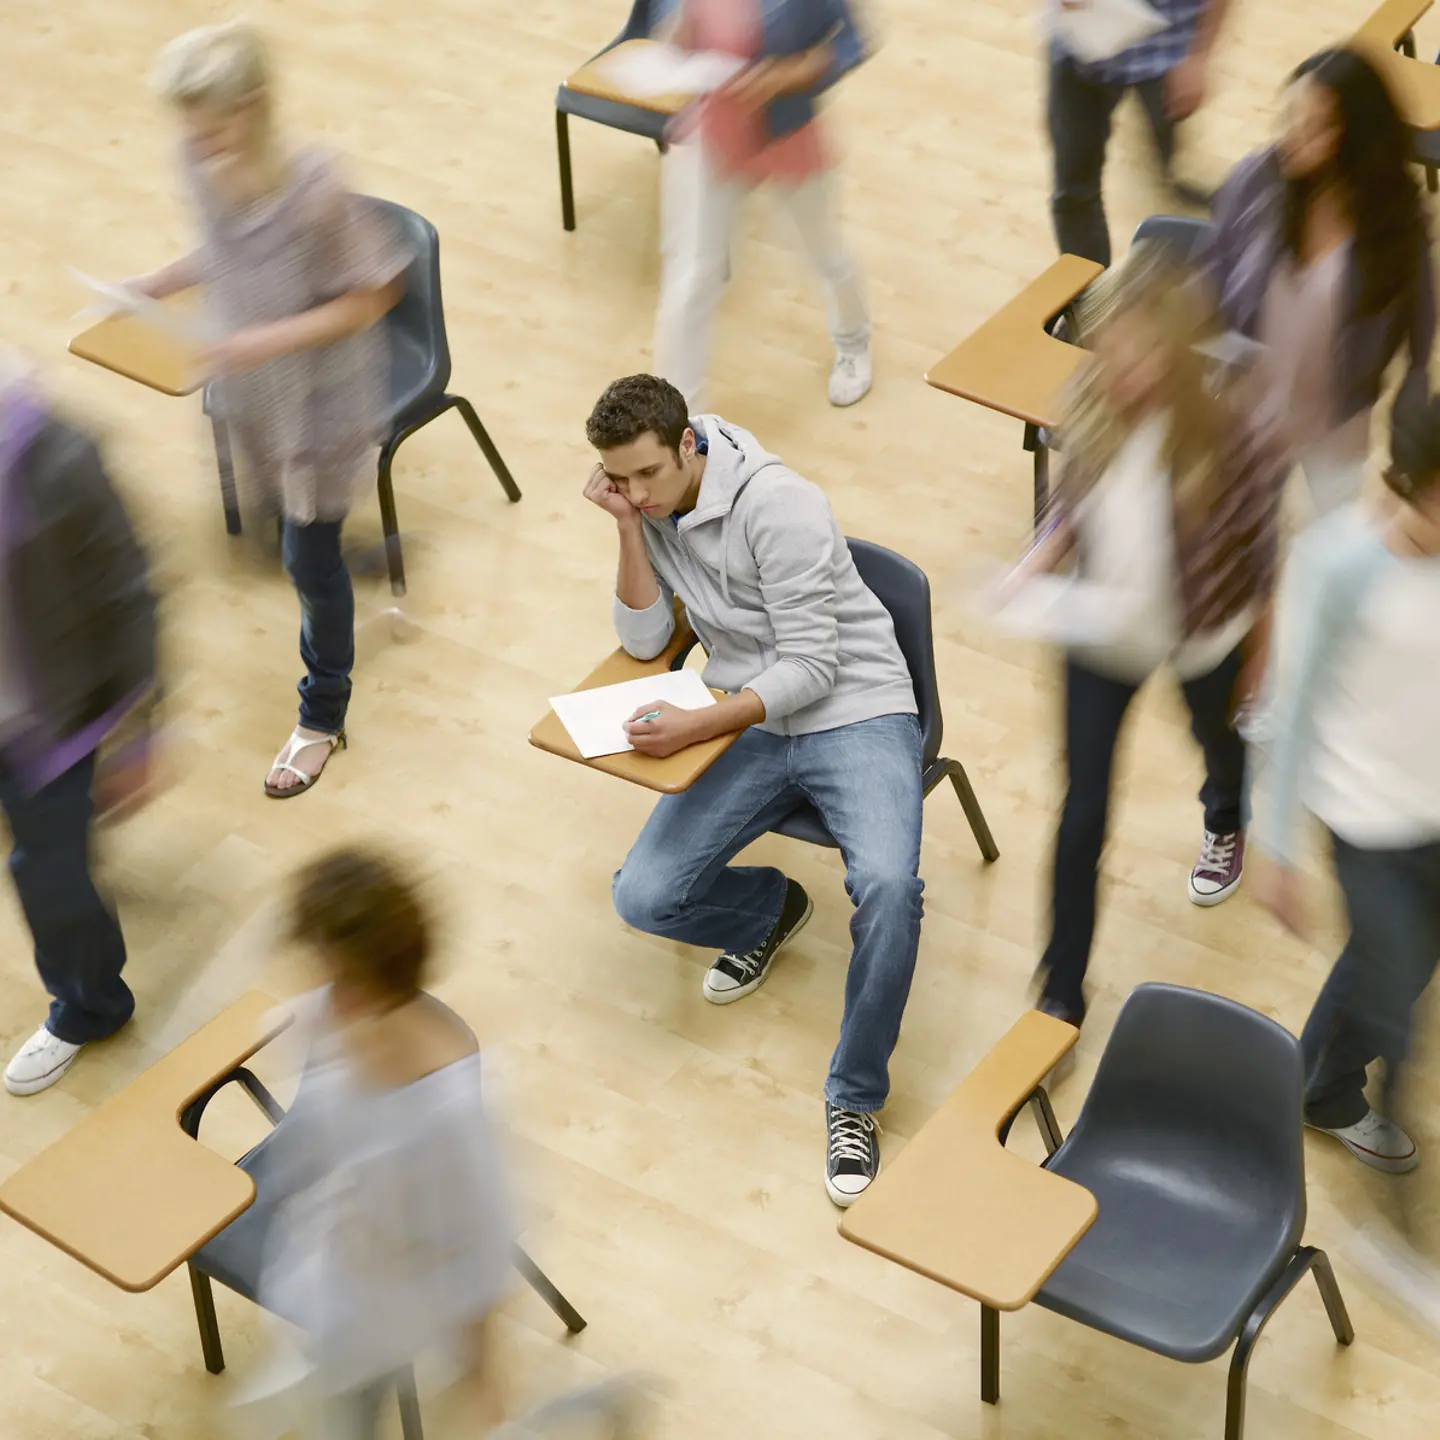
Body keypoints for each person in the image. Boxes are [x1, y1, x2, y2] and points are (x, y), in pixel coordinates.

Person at [582, 374, 922, 1206]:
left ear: (690, 444)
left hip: (855, 708)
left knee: (887, 887)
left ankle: (854, 1097)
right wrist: (629, 528)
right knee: (644, 898)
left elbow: (814, 666)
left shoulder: (781, 506)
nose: (637, 492)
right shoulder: (650, 509)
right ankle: (771, 910)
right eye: (618, 480)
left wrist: (697, 725)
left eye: (647, 477)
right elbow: (645, 640)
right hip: (748, 718)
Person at [1003, 245, 1285, 1027]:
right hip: (1102, 633)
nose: (1121, 371)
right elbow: (1070, 506)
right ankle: (1061, 991)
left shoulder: (1232, 434)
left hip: (1200, 634)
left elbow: (1264, 564)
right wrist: (1041, 557)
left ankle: (1226, 812)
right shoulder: (1092, 399)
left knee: (1215, 737)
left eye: (1141, 354)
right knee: (1082, 807)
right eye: (1113, 351)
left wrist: (1260, 660)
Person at [129, 20, 410, 797]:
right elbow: (224, 251)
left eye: (213, 125)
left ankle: (322, 716)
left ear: (254, 107)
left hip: (320, 404)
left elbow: (372, 294)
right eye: (190, 125)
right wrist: (156, 283)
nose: (198, 141)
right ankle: (348, 555)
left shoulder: (315, 189)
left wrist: (263, 340)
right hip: (253, 395)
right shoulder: (195, 156)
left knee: (305, 563)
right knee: (289, 538)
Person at [1252, 386, 1440, 1337]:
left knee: (1392, 969)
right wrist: (1275, 844)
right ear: (1409, 484)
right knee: (1405, 1018)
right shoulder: (1340, 566)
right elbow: (1287, 715)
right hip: (1366, 818)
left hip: (1438, 812)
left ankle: (1313, 1089)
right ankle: (1402, 1249)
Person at [236, 846, 513, 1439]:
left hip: (386, 1307)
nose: (311, 984)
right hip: (331, 1281)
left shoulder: (448, 1115)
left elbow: (478, 1259)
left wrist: (484, 1386)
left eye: (325, 969)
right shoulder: (322, 1026)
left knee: (350, 1413)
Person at [0, 362, 159, 1096]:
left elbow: (130, 591)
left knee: (49, 874)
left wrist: (145, 733)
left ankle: (93, 1005)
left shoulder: (59, 458)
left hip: (48, 723)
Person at [1200, 45, 1433, 521]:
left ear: (1356, 138)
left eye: (1315, 127)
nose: (1292, 137)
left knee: (1332, 537)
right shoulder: (1253, 184)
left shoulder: (1395, 226)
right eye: (1290, 117)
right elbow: (1210, 278)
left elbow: (1420, 330)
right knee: (1239, 536)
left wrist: (1408, 439)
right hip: (1249, 410)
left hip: (1336, 425)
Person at [650, 0, 873, 411]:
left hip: (786, 135)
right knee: (691, 276)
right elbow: (671, 35)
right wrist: (675, 39)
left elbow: (853, 41)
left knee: (823, 254)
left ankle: (854, 342)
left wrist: (794, 72)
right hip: (716, 134)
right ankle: (681, 413)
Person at [1047, 0, 1232, 268]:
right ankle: (1085, 300)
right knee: (1074, 192)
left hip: (1168, 55)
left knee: (1172, 175)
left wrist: (1199, 56)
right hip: (1078, 52)